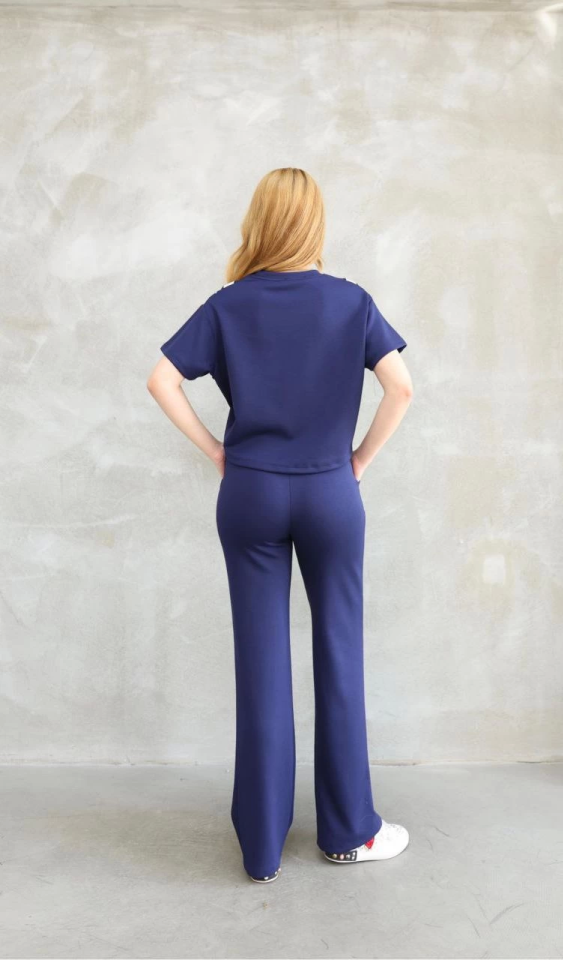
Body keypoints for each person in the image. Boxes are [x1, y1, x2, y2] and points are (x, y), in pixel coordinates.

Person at [147, 167, 414, 883]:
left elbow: (161, 379)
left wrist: (216, 451)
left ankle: (261, 849)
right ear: (314, 224)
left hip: (251, 493)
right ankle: (348, 832)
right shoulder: (351, 302)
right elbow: (401, 387)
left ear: (258, 223)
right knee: (339, 652)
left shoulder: (229, 304)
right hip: (330, 490)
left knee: (261, 661)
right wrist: (358, 461)